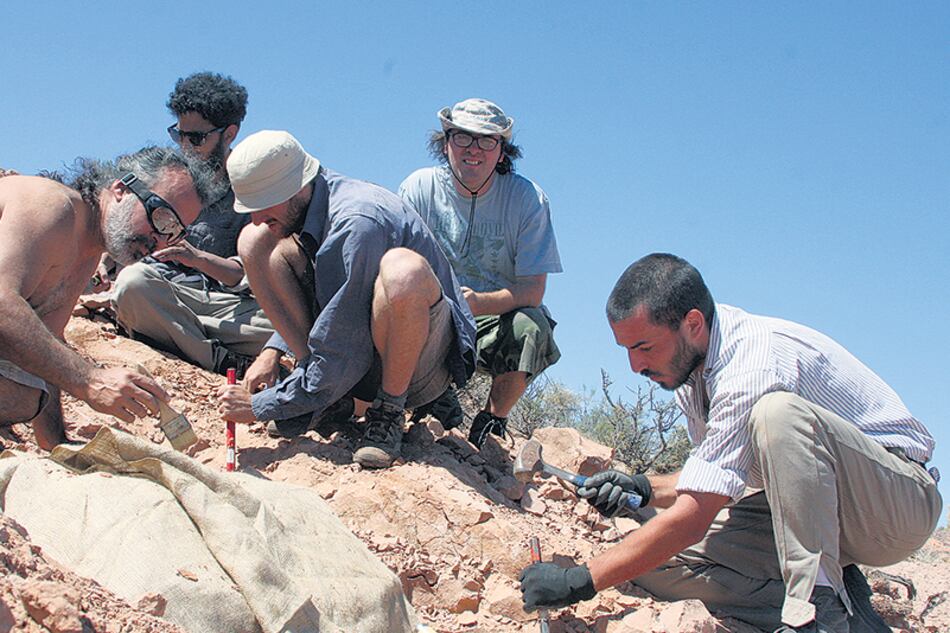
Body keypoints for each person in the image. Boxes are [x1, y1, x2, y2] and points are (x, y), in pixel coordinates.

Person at [519, 253, 942, 633]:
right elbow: (714, 477)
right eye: (627, 349)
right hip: (815, 513)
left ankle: (815, 613)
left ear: (693, 323)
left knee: (778, 414)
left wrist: (579, 580)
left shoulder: (751, 364)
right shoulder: (691, 371)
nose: (635, 365)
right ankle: (843, 609)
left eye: (644, 346)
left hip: (894, 505)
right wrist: (643, 487)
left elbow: (696, 513)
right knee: (656, 562)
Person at [215, 130, 476, 469]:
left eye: (263, 204)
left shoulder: (355, 220)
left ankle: (388, 412)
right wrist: (273, 350)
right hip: (361, 346)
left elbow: (344, 348)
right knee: (254, 240)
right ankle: (325, 396)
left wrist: (261, 406)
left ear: (296, 187)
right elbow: (336, 302)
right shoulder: (312, 203)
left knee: (403, 272)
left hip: (421, 364)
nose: (256, 216)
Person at [0, 147, 213, 449]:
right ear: (121, 189)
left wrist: (57, 445)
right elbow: (2, 303)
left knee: (27, 393)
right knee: (21, 394)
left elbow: (47, 341)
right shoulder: (52, 205)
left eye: (173, 233)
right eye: (161, 218)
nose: (159, 241)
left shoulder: (86, 248)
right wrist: (89, 379)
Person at [399, 98, 562, 448]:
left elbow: (533, 291)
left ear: (502, 151)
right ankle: (424, 395)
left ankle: (491, 421)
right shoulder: (419, 188)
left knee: (531, 326)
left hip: (492, 318)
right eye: (462, 137)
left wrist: (477, 303)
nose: (474, 149)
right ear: (445, 144)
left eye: (487, 140)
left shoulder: (528, 200)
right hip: (431, 314)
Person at [108, 72, 274, 375]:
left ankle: (182, 340)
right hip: (163, 295)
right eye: (179, 134)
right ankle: (223, 362)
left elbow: (249, 274)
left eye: (196, 138)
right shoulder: (164, 178)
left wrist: (197, 259)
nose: (185, 146)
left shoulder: (253, 189)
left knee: (285, 327)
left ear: (230, 133)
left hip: (227, 308)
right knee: (133, 285)